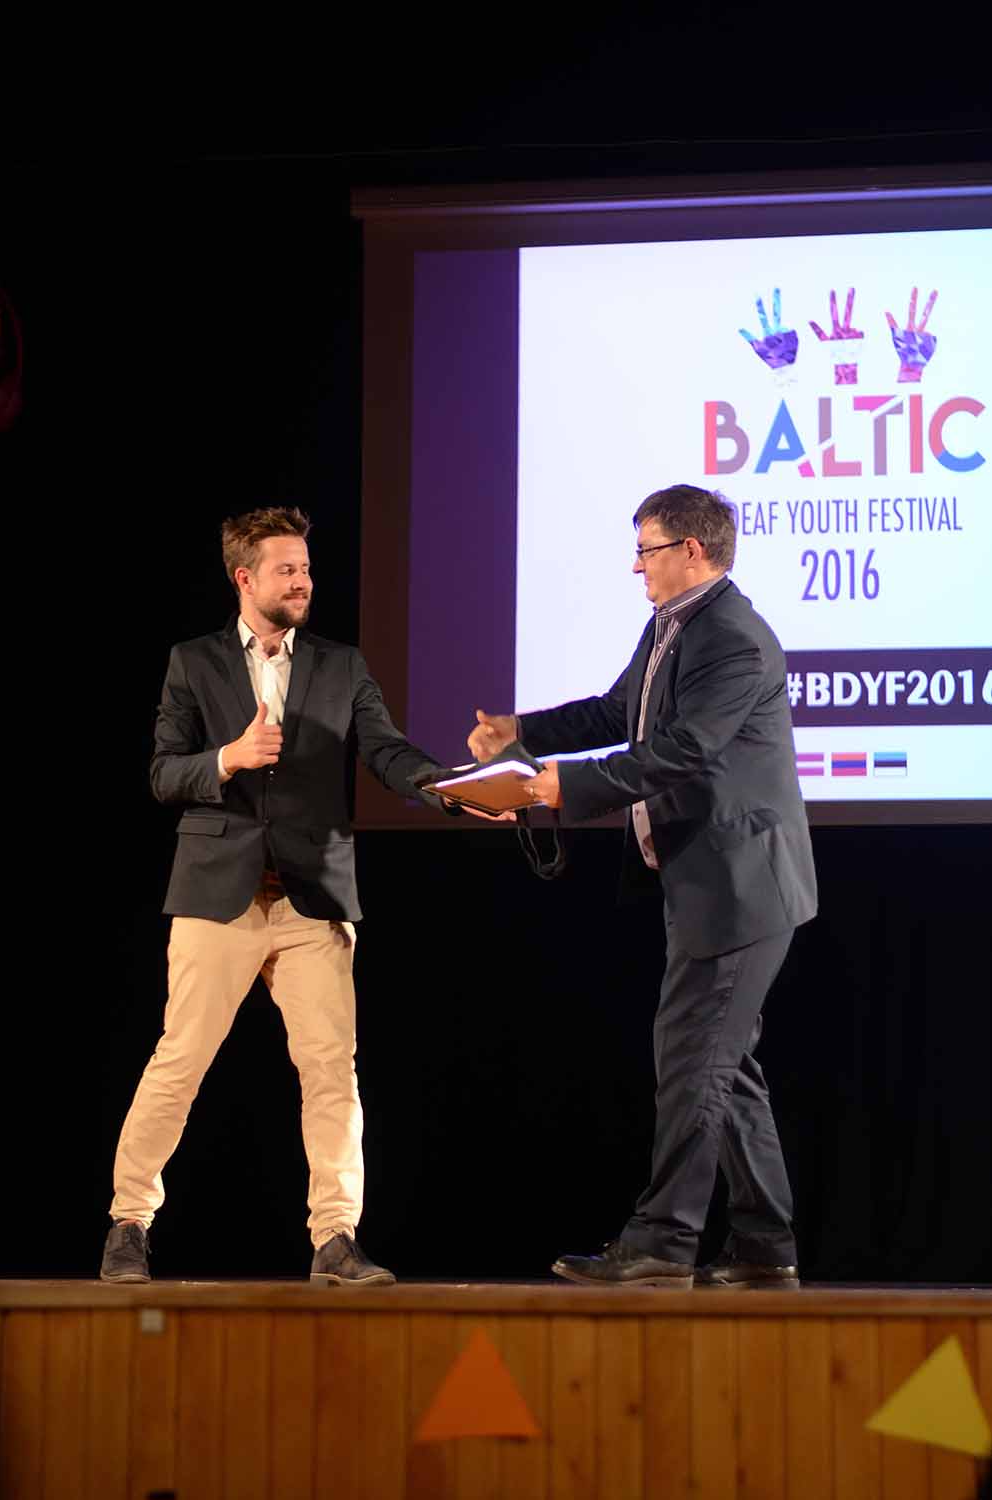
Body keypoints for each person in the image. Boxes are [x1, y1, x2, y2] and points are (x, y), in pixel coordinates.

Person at [469, 484, 817, 1288]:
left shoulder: (733, 638)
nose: (636, 567)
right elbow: (619, 713)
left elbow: (685, 750)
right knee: (724, 1064)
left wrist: (566, 786)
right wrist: (522, 732)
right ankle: (765, 1248)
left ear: (692, 550)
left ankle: (663, 1241)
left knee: (695, 1059)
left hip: (743, 887)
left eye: (646, 550)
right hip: (710, 883)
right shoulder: (672, 625)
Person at [101, 506, 449, 1286]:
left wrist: (449, 788)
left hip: (311, 899)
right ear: (244, 578)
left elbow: (387, 752)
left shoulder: (340, 665)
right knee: (180, 1060)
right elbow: (163, 773)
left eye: (307, 569)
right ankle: (129, 1223)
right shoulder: (193, 662)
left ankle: (336, 1239)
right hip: (216, 893)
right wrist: (228, 757)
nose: (303, 582)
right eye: (287, 570)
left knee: (331, 1071)